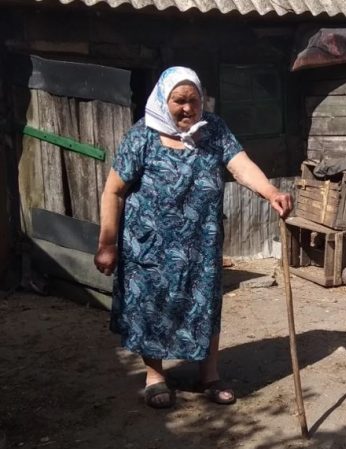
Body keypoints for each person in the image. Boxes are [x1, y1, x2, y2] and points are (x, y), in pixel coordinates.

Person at [94, 66, 292, 409]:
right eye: (179, 101)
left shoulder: (213, 129)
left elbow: (239, 164)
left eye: (194, 101)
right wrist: (107, 244)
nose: (188, 109)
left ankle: (209, 376)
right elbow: (114, 191)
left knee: (205, 307)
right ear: (162, 100)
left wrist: (269, 190)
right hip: (149, 246)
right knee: (151, 307)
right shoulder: (141, 136)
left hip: (201, 243)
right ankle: (155, 377)